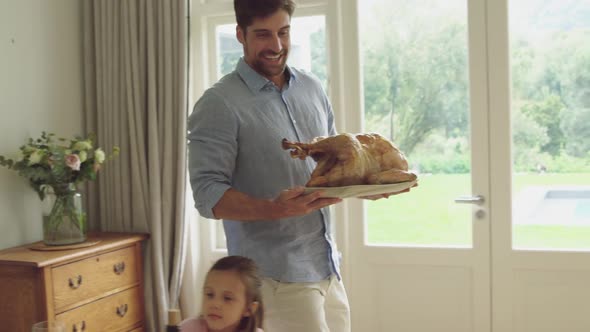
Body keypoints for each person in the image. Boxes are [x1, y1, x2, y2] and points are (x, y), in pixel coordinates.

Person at [187, 0, 412, 330]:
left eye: (283, 32)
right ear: (240, 34)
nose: (276, 46)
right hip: (275, 278)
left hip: (327, 266)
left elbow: (335, 164)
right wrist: (272, 209)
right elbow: (207, 195)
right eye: (263, 34)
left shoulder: (312, 88)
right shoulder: (218, 104)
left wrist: (367, 187)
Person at [179, 255, 264, 332]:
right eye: (210, 294)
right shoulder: (187, 328)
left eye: (227, 298)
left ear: (248, 309)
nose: (215, 304)